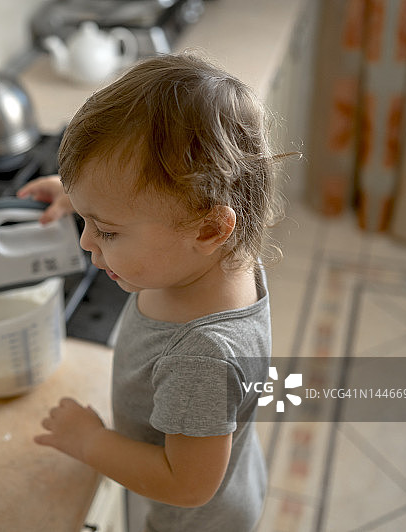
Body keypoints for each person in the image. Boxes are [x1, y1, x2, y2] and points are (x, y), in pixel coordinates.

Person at [18, 51, 286, 532]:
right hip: (234, 477)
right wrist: (86, 198)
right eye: (88, 222)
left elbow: (187, 485)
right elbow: (155, 209)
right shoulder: (213, 256)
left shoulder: (201, 358)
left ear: (208, 230)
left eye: (107, 231)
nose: (86, 242)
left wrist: (90, 443)